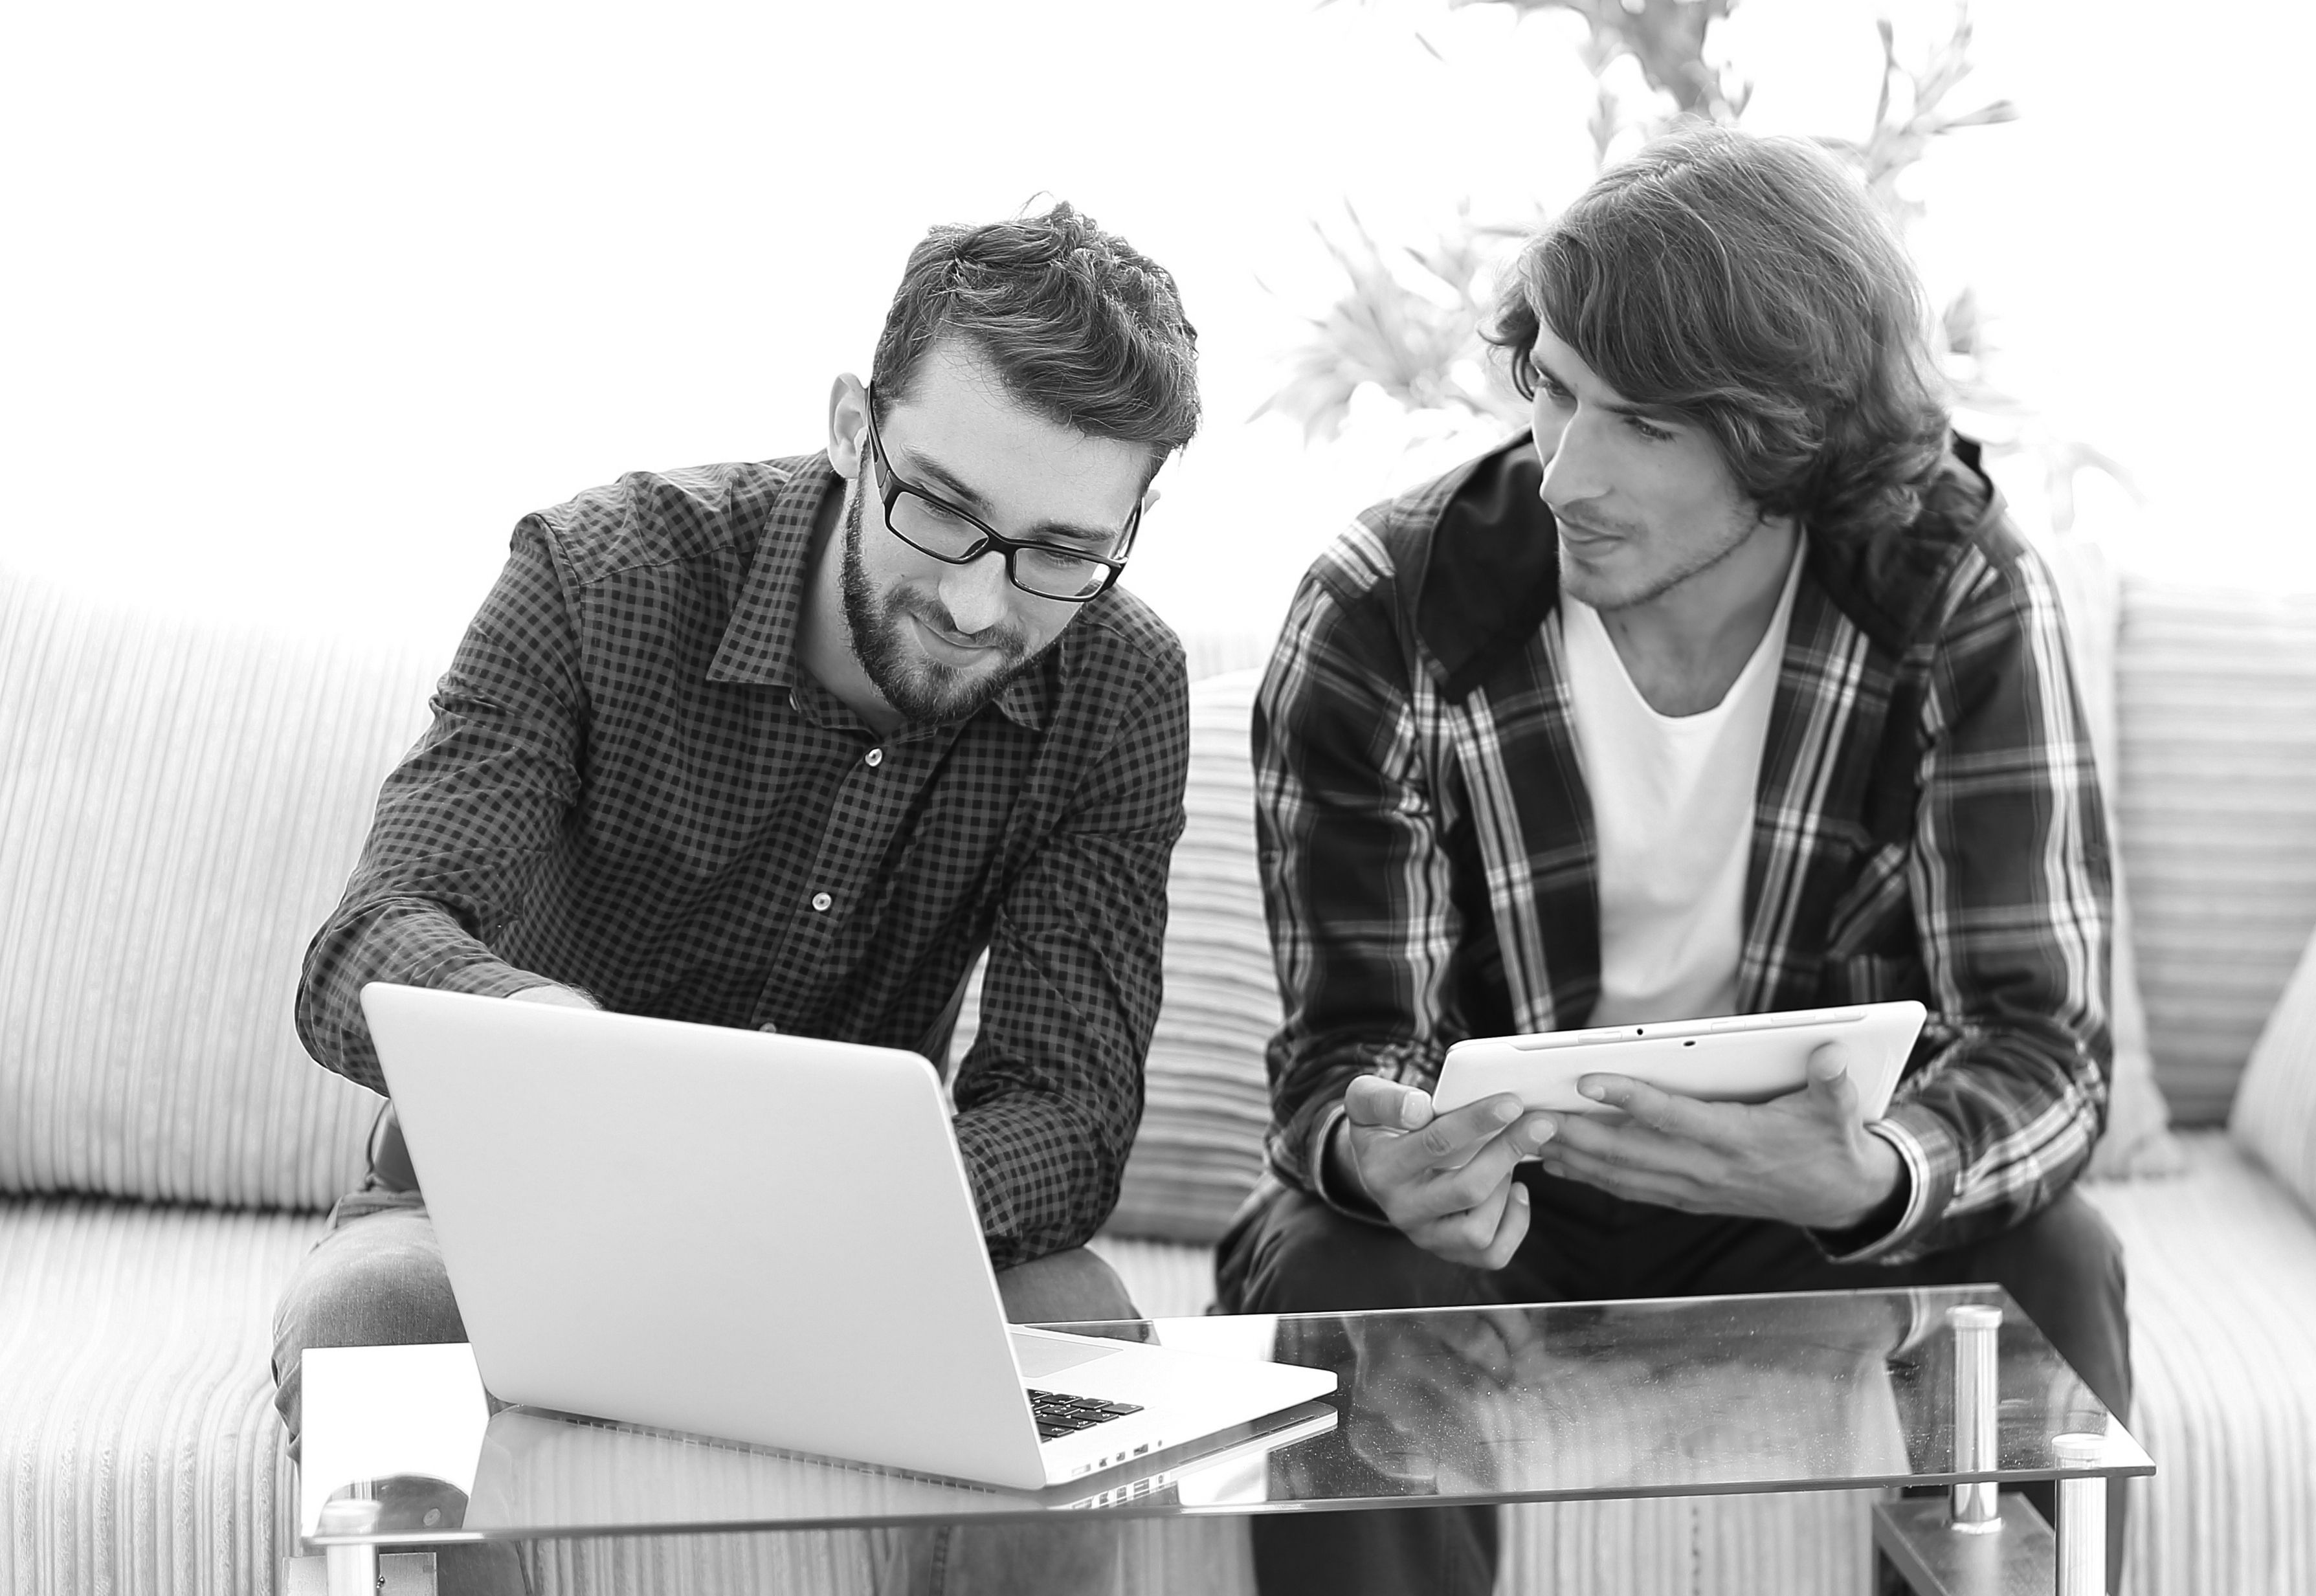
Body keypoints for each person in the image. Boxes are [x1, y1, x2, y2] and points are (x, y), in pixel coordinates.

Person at [1216, 125, 2132, 1595]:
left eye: (1641, 424)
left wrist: (1877, 1175)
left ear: (1793, 438)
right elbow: (1339, 1055)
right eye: (1555, 392)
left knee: (2054, 1263)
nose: (1568, 468)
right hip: (1504, 1216)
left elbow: (2042, 1048)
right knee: (1336, 1273)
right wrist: (1383, 1155)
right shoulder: (1384, 612)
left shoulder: (1949, 592)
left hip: (1797, 1201)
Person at [273, 201, 1201, 1595]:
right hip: (521, 1229)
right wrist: (554, 1042)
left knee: (1084, 1348)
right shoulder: (602, 569)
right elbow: (365, 948)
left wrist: (854, 1194)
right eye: (940, 510)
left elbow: (1068, 1114)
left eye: (1059, 553)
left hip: (871, 1247)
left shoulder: (1118, 685)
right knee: (370, 1313)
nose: (973, 605)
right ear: (849, 426)